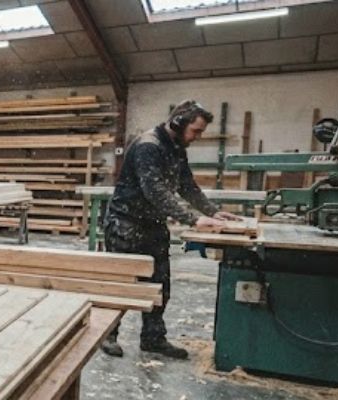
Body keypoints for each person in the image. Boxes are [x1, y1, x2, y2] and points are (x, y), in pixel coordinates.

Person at [98, 100, 242, 359]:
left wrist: (211, 211)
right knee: (121, 284)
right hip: (126, 224)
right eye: (195, 131)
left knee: (160, 285)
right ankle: (107, 335)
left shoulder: (177, 148)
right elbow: (154, 190)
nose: (197, 137)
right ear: (178, 122)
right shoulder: (148, 146)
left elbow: (186, 185)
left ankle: (153, 339)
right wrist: (192, 219)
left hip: (153, 225)